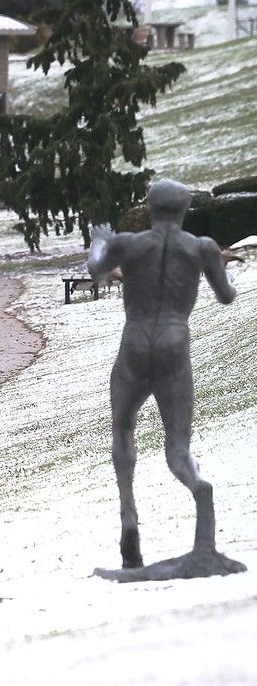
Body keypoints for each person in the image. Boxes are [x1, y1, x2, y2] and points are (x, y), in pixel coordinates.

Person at [88, 179, 237, 570]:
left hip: (135, 341)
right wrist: (225, 273)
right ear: (185, 209)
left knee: (123, 427)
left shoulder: (129, 244)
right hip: (174, 340)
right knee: (177, 448)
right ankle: (199, 490)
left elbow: (96, 271)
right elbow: (226, 296)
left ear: (150, 208)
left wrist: (99, 241)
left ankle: (128, 515)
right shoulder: (201, 247)